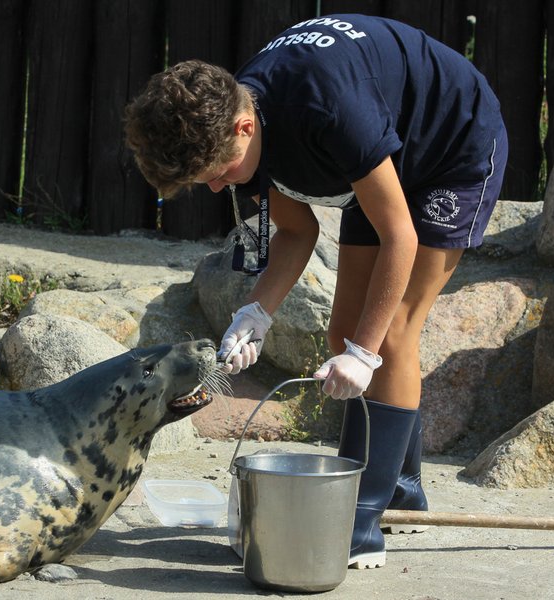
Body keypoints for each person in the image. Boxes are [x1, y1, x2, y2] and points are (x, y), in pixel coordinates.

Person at [124, 14, 507, 569]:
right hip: (382, 152)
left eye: (218, 171)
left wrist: (365, 355)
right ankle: (400, 485)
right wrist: (256, 311)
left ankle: (359, 521)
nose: (213, 186)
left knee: (390, 336)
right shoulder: (242, 117)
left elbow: (398, 234)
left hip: (452, 145)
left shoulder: (327, 109)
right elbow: (297, 231)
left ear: (244, 129)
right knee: (343, 331)